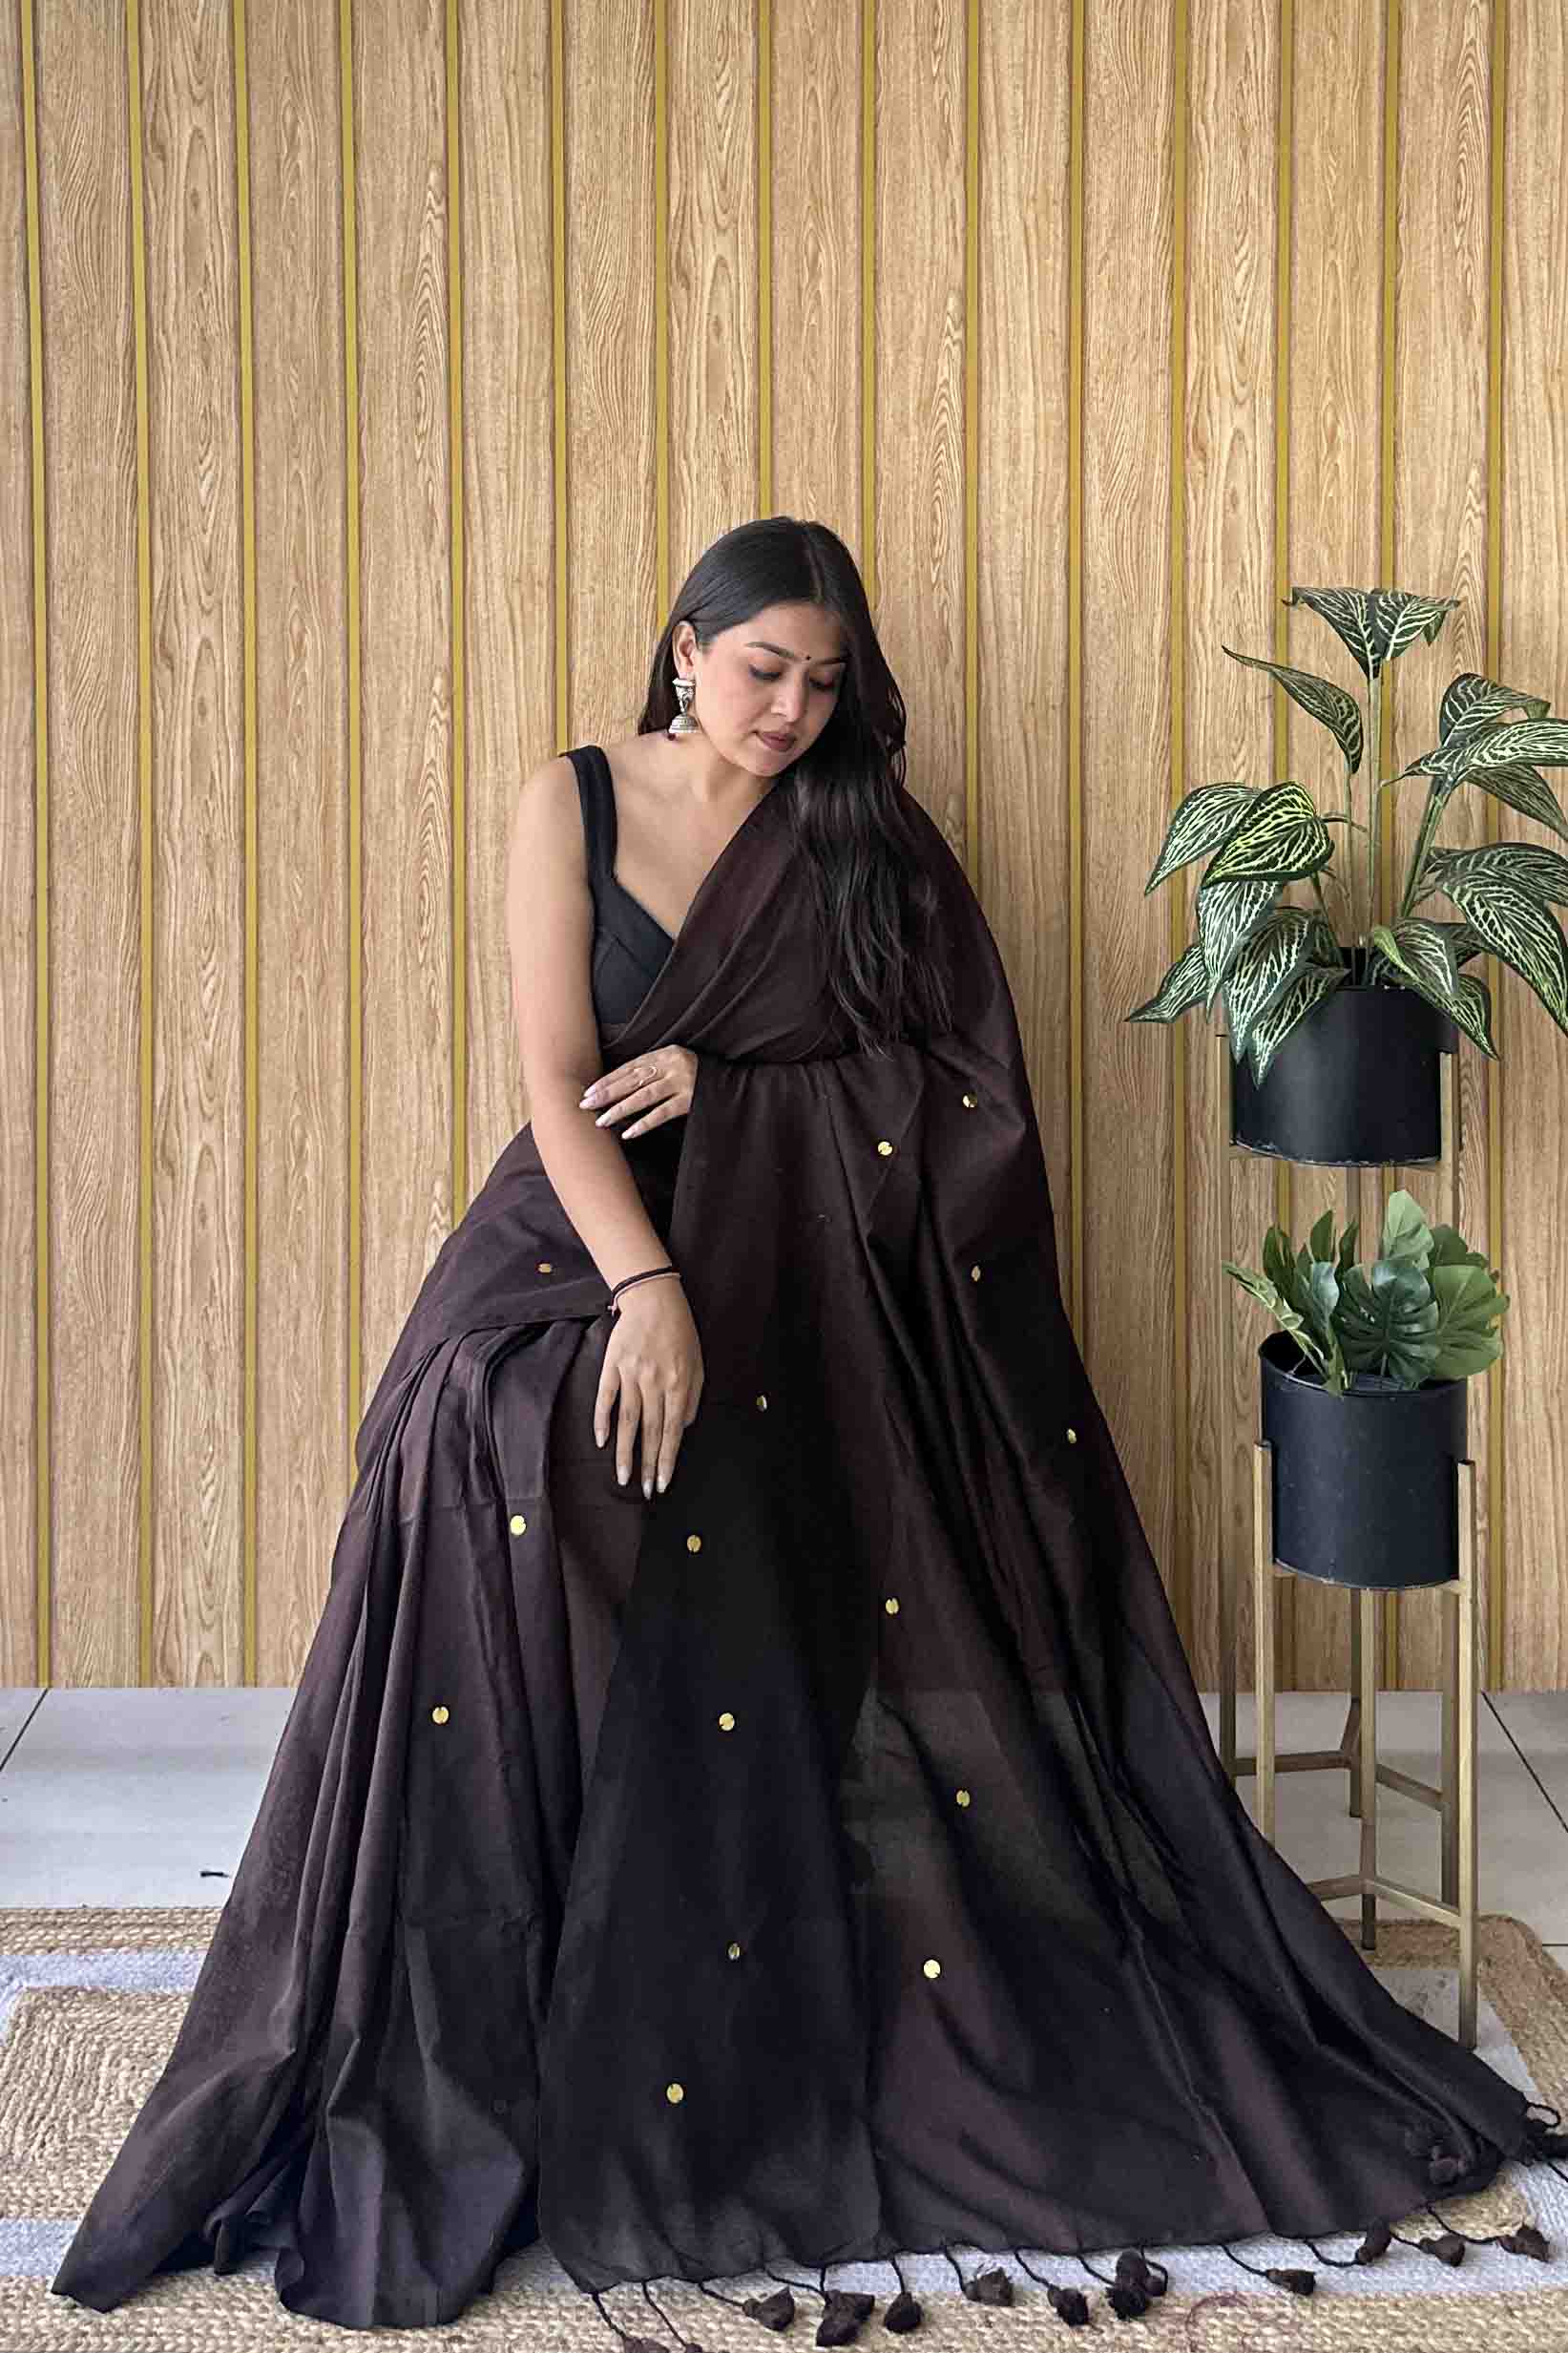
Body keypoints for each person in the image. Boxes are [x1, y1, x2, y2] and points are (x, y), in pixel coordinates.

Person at [52, 517, 1564, 2336]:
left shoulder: (863, 836)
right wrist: (646, 1285)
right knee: (494, 1422)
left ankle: (706, 1941)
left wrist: (739, 1085)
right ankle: (501, 1977)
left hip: (806, 1264)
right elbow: (553, 1081)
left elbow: (965, 1091)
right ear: (684, 647)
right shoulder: (572, 800)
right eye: (763, 668)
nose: (789, 710)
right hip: (587, 1239)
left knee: (687, 1462)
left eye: (825, 683)